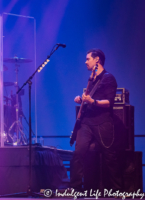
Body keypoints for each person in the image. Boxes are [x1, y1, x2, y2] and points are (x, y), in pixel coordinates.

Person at [70, 49, 121, 192]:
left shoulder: (108, 78)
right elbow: (90, 99)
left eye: (88, 59)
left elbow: (110, 103)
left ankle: (117, 190)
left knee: (110, 157)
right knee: (78, 153)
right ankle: (75, 189)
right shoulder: (91, 79)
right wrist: (82, 100)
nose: (85, 62)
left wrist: (92, 101)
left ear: (97, 60)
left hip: (102, 123)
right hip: (87, 122)